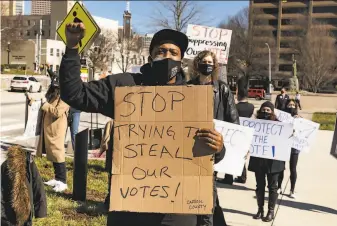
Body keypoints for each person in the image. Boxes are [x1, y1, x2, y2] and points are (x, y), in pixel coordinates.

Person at [59, 22, 224, 226]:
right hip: (130, 207)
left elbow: (209, 154)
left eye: (174, 52)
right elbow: (74, 94)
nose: (167, 56)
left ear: (181, 60)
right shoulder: (124, 86)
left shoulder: (194, 99)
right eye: (161, 51)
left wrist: (218, 147)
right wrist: (73, 47)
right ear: (150, 58)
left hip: (177, 212)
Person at [188, 50, 239, 226]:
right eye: (204, 61)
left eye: (211, 62)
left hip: (212, 147)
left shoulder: (222, 89)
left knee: (207, 195)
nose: (207, 64)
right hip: (189, 146)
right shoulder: (188, 87)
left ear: (215, 66)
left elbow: (234, 121)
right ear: (197, 64)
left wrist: (238, 147)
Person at [248, 101, 285, 222]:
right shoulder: (255, 125)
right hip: (259, 160)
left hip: (274, 162)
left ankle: (270, 211)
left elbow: (287, 138)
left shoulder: (279, 126)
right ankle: (260, 209)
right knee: (260, 186)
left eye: (268, 110)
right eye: (263, 110)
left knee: (272, 187)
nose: (265, 112)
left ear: (272, 112)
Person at [36, 75, 70, 193]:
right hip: (51, 127)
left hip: (57, 128)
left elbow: (58, 112)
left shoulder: (66, 96)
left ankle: (63, 182)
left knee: (58, 153)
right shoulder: (55, 94)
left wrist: (45, 104)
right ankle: (58, 178)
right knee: (53, 153)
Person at [1, 145, 47, 226]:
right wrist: (40, 211)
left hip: (16, 212)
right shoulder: (28, 164)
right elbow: (38, 186)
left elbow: (38, 185)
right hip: (16, 213)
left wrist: (40, 211)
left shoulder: (28, 164)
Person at [277, 99, 301, 198]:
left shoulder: (299, 119)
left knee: (293, 168)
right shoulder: (282, 118)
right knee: (280, 168)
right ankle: (279, 187)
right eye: (289, 105)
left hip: (294, 147)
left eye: (293, 105)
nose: (291, 106)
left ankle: (292, 190)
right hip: (284, 145)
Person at [234, 75, 255, 184]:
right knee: (242, 156)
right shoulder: (251, 107)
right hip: (246, 134)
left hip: (236, 133)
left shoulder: (235, 107)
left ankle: (235, 176)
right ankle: (243, 176)